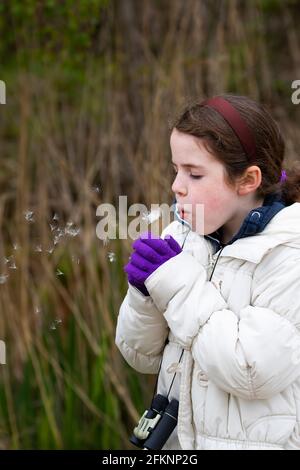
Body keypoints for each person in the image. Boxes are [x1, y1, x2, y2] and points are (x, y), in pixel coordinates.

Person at [115, 94, 300, 450]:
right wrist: (143, 294)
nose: (176, 186)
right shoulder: (183, 238)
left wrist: (175, 284)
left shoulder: (288, 252)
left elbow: (251, 369)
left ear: (247, 180)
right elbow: (139, 356)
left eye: (194, 174)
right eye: (176, 170)